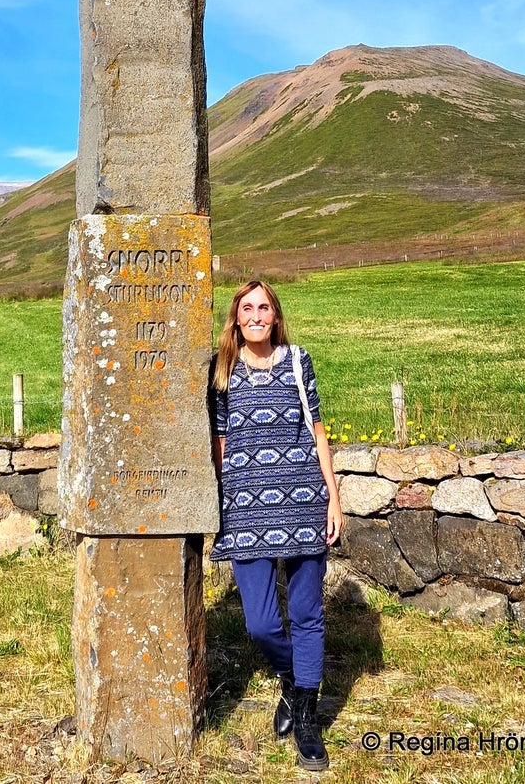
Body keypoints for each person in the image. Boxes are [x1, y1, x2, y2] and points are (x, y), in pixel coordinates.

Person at [209, 279, 343, 772]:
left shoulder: (297, 360)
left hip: (305, 499)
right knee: (261, 622)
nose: (257, 315)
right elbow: (221, 441)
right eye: (248, 308)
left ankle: (307, 713)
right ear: (236, 317)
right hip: (246, 507)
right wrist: (225, 499)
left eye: (264, 307)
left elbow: (317, 429)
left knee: (307, 612)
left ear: (276, 315)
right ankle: (291, 675)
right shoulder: (221, 370)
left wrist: (332, 496)